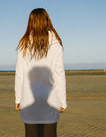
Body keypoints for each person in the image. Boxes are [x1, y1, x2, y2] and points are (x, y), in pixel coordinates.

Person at [15, 8, 67, 137]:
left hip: (28, 100)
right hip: (51, 100)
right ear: (47, 21)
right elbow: (59, 75)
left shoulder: (24, 44)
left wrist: (18, 98)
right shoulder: (56, 45)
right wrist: (63, 101)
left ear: (30, 22)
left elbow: (20, 74)